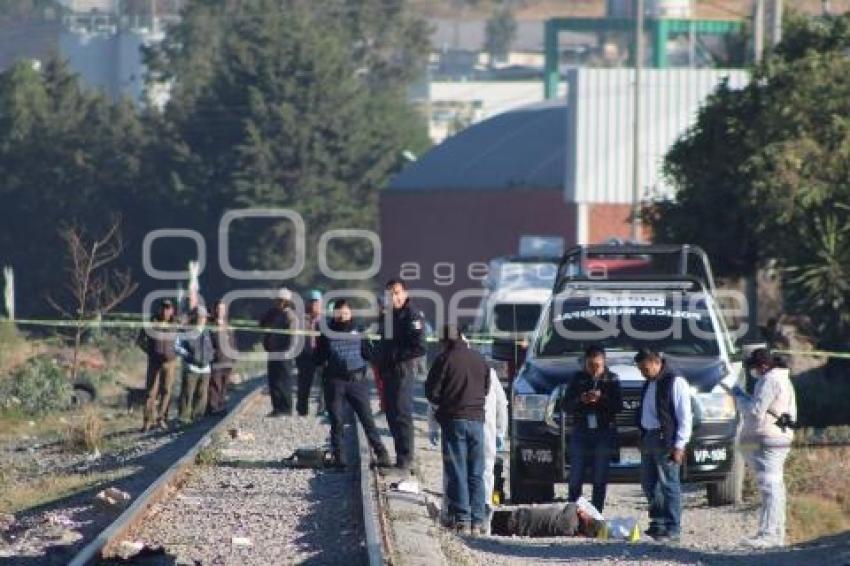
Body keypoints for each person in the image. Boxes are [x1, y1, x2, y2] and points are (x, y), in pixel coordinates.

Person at [426, 324, 490, 535]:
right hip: (477, 421)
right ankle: (478, 520)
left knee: (458, 470)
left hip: (454, 421)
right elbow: (487, 388)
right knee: (476, 472)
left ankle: (462, 518)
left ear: (445, 341)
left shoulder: (444, 359)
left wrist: (444, 402)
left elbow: (431, 392)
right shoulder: (480, 358)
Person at [428, 366, 508, 532]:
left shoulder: (451, 368)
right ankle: (480, 518)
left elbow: (434, 401)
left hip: (461, 426)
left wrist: (433, 427)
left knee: (457, 471)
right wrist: (501, 430)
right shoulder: (487, 371)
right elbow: (502, 403)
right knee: (481, 473)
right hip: (484, 429)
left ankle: (457, 514)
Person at [313, 300, 391, 468]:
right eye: (340, 313)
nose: (343, 316)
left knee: (367, 419)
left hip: (357, 382)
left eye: (346, 313)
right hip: (335, 382)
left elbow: (369, 354)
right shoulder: (327, 333)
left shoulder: (359, 330)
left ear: (351, 314)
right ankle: (339, 458)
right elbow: (318, 358)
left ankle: (382, 454)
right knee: (336, 421)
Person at [735, 348, 797, 548]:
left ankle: (769, 535)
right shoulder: (783, 379)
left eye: (754, 366)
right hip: (779, 438)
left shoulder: (770, 380)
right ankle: (775, 533)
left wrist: (738, 395)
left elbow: (754, 411)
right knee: (776, 488)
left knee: (770, 488)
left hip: (768, 438)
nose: (753, 371)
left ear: (762, 366)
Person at [635, 347, 692, 542]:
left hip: (665, 439)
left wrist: (679, 445)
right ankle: (658, 524)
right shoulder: (649, 383)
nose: (643, 373)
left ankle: (673, 526)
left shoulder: (675, 382)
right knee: (649, 483)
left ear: (656, 363)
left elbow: (685, 416)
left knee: (669, 483)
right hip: (649, 437)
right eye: (640, 369)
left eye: (645, 369)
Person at [373, 279, 427, 470]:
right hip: (388, 370)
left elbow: (419, 347)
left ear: (404, 293)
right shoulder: (389, 316)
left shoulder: (412, 315)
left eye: (396, 293)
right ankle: (400, 457)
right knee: (391, 414)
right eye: (390, 294)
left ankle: (406, 460)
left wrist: (395, 355)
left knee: (401, 414)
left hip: (403, 371)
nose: (393, 297)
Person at [563, 345, 622, 512]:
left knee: (600, 477)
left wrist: (601, 398)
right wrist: (581, 399)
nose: (594, 370)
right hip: (581, 430)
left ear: (604, 362)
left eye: (598, 366)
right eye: (591, 366)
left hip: (604, 431)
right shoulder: (577, 378)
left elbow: (618, 406)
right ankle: (573, 513)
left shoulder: (612, 379)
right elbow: (566, 406)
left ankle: (596, 515)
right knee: (575, 476)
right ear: (585, 363)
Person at [137, 299, 178, 432]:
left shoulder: (176, 324)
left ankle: (161, 419)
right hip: (154, 362)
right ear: (160, 309)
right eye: (164, 307)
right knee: (150, 392)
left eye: (168, 308)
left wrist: (176, 353)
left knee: (166, 391)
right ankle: (147, 421)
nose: (166, 310)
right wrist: (149, 352)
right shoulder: (151, 322)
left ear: (172, 310)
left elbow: (183, 340)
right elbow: (140, 340)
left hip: (169, 362)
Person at [259, 288, 298, 416]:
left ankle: (286, 408)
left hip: (284, 354)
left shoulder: (290, 316)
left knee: (284, 381)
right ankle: (277, 408)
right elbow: (261, 323)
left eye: (279, 300)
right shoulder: (274, 313)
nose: (276, 303)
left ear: (285, 301)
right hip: (273, 351)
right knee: (274, 380)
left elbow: (293, 337)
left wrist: (289, 351)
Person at [176, 306, 214, 424]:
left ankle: (197, 418)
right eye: (201, 317)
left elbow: (212, 346)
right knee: (187, 393)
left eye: (204, 317)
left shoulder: (207, 331)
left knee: (202, 395)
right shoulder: (186, 330)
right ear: (194, 317)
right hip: (191, 367)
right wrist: (188, 356)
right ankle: (183, 418)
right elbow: (177, 346)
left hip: (205, 368)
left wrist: (211, 355)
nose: (203, 319)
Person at [490, 502, 604, 538]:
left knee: (488, 518)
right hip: (517, 529)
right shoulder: (569, 532)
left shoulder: (571, 517)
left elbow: (573, 504)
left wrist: (582, 512)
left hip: (518, 517)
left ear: (587, 520)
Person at [296, 290, 324, 416]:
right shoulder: (300, 319)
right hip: (305, 355)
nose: (314, 305)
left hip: (321, 355)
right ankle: (302, 410)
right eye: (311, 302)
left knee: (324, 383)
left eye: (316, 302)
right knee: (304, 383)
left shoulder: (325, 320)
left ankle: (322, 409)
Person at [207, 300, 235, 415]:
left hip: (227, 361)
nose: (220, 311)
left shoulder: (228, 326)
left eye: (222, 309)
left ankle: (222, 406)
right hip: (216, 360)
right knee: (215, 385)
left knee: (224, 386)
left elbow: (233, 343)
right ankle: (213, 407)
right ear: (214, 310)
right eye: (218, 309)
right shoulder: (210, 326)